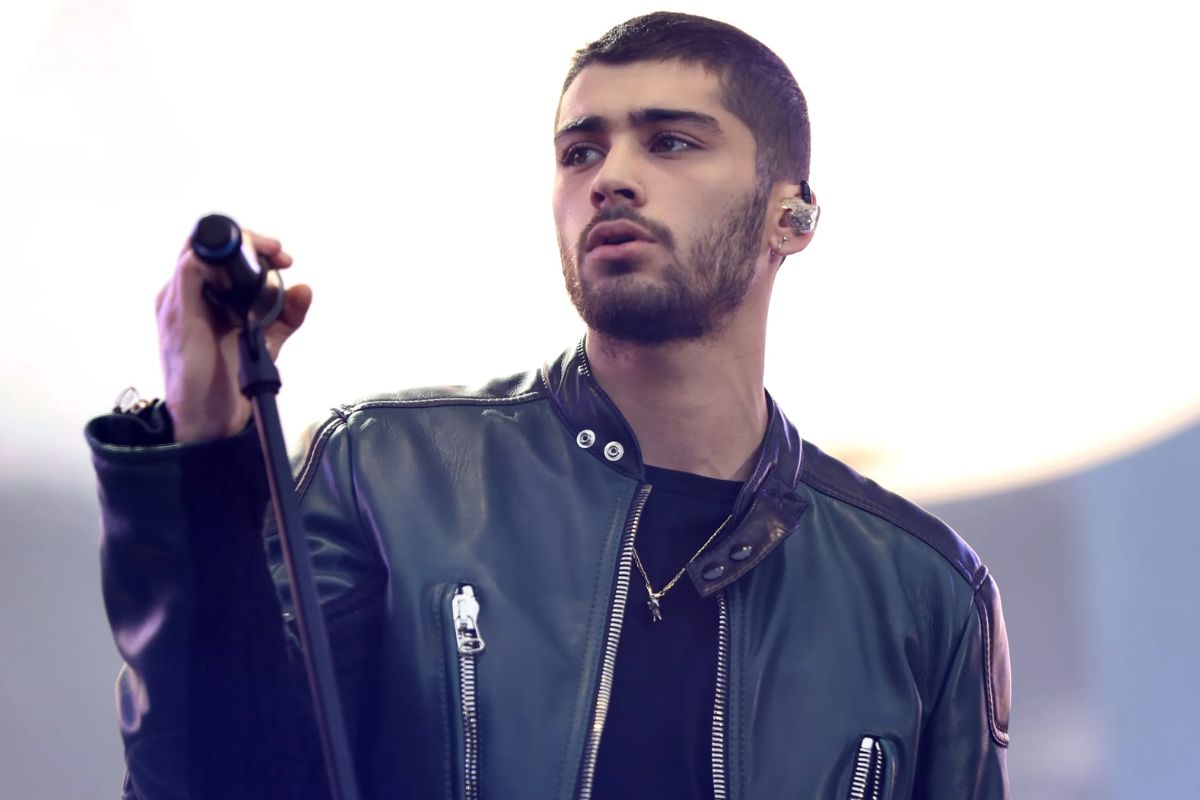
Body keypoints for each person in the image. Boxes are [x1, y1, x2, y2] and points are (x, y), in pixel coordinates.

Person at [86, 11, 1010, 800]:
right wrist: (200, 454)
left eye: (670, 141)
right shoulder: (388, 475)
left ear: (791, 216)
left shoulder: (921, 590)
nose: (609, 177)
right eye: (580, 151)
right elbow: (214, 776)